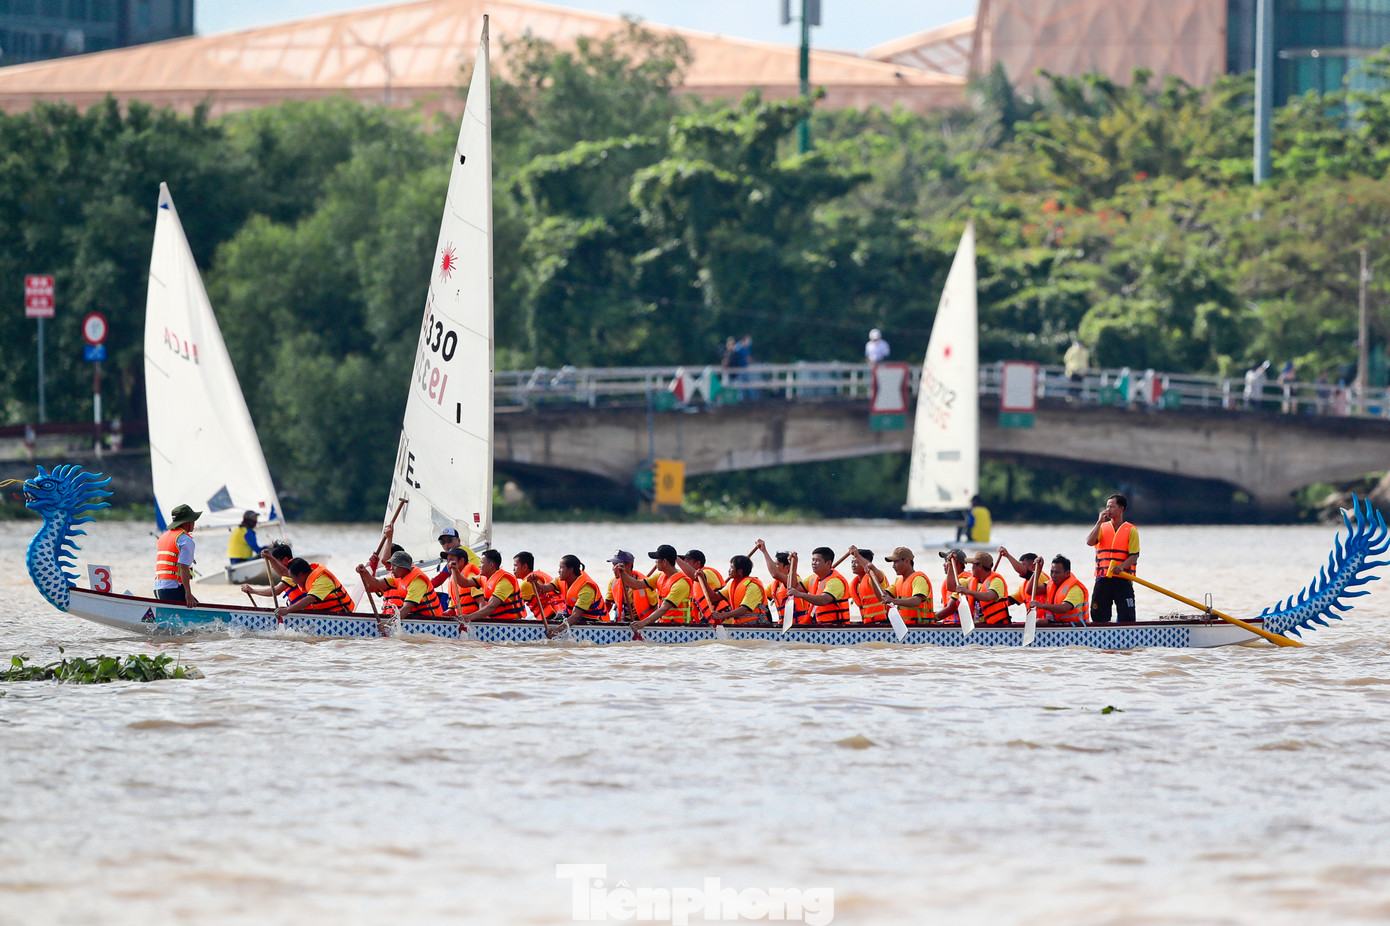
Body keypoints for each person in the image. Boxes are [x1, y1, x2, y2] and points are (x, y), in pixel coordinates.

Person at [1085, 492, 1140, 624]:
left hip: (1123, 579)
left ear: (1121, 509)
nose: (1108, 510)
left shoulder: (1131, 530)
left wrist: (1121, 566)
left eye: (1112, 506)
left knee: (1127, 616)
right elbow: (1089, 541)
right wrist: (1099, 522)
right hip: (1103, 579)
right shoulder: (1102, 527)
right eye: (1107, 506)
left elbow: (1134, 556)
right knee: (1098, 615)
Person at [357, 550, 444, 621]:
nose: (391, 568)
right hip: (415, 616)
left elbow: (406, 608)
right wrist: (365, 572)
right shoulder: (397, 576)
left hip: (432, 620)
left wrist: (388, 624)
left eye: (394, 565)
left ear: (404, 567)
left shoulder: (417, 582)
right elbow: (376, 584)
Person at [624, 544, 694, 630]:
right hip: (664, 625)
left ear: (665, 561)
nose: (655, 562)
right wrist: (623, 573)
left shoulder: (680, 584)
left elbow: (664, 608)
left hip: (680, 628)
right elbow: (636, 585)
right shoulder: (659, 576)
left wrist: (643, 623)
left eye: (657, 559)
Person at [688, 554, 768, 625]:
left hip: (755, 624)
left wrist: (722, 615)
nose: (729, 570)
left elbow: (743, 610)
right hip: (739, 624)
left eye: (731, 567)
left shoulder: (753, 586)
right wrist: (703, 580)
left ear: (740, 571)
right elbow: (713, 598)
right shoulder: (733, 585)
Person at [451, 549, 526, 621]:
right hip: (495, 622)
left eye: (482, 563)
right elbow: (465, 583)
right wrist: (455, 570)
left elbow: (492, 606)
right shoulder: (483, 578)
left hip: (509, 624)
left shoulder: (504, 581)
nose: (479, 566)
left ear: (491, 565)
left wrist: (469, 617)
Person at [784, 547, 851, 625]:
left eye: (817, 560)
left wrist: (801, 595)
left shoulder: (835, 581)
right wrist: (793, 564)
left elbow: (823, 600)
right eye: (813, 560)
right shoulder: (813, 578)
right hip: (818, 623)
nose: (813, 563)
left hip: (834, 626)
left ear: (828, 563)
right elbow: (793, 588)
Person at [274, 558, 354, 619]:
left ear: (301, 575)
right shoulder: (310, 577)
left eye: (293, 578)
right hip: (327, 616)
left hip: (341, 617)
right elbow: (283, 572)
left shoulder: (323, 580)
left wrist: (287, 610)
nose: (293, 581)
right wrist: (270, 557)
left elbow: (309, 600)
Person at [754, 541, 812, 624]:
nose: (774, 567)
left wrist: (764, 551)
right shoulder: (775, 584)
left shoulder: (794, 580)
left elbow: (774, 574)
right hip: (784, 624)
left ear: (788, 567)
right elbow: (761, 595)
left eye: (776, 564)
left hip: (799, 624)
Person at [154, 504, 200, 606]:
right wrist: (188, 593)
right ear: (186, 523)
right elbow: (184, 567)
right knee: (199, 609)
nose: (194, 523)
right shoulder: (186, 540)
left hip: (158, 588)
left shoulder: (163, 536)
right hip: (171, 589)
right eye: (192, 520)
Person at [545, 555, 607, 631]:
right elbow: (544, 588)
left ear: (571, 570)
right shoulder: (561, 580)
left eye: (561, 567)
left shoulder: (586, 588)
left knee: (562, 617)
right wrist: (535, 583)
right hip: (577, 617)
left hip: (594, 622)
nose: (559, 571)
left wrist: (557, 630)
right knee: (559, 615)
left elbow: (576, 616)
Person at [878, 546, 933, 625]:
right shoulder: (898, 581)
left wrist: (893, 601)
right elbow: (882, 597)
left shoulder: (919, 579)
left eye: (896, 562)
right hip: (905, 626)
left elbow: (916, 601)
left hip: (920, 627)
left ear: (907, 561)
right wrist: (873, 576)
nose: (893, 566)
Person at [1030, 555, 1090, 626]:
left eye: (1057, 573)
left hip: (1074, 627)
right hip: (1058, 622)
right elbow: (1031, 590)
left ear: (1067, 573)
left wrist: (1042, 606)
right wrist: (1038, 570)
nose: (1053, 575)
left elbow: (1064, 608)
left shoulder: (1075, 589)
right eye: (1052, 572)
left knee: (1039, 622)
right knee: (1038, 622)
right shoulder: (1051, 583)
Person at [956, 551, 1011, 626]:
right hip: (979, 624)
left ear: (979, 566)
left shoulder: (997, 581)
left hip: (997, 626)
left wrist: (968, 592)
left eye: (973, 565)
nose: (971, 568)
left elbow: (989, 596)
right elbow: (951, 586)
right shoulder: (972, 580)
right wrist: (950, 564)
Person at [605, 550, 655, 622]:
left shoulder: (645, 582)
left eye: (617, 565)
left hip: (641, 621)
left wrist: (649, 624)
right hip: (621, 620)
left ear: (629, 566)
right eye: (613, 565)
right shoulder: (613, 582)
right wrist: (602, 619)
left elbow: (655, 606)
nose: (614, 569)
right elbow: (608, 604)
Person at [514, 550, 562, 622]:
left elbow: (517, 609)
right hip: (559, 613)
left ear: (525, 567)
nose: (513, 569)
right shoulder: (540, 575)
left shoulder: (527, 583)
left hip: (551, 618)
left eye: (515, 566)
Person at [679, 549, 727, 621]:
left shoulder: (708, 573)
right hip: (709, 620)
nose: (684, 564)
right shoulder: (692, 581)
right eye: (684, 561)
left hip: (723, 619)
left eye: (687, 561)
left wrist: (676, 559)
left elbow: (696, 576)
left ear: (698, 563)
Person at [845, 548, 890, 624]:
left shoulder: (874, 577)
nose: (853, 564)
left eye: (857, 562)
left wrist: (857, 555)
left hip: (884, 622)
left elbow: (870, 567)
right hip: (867, 622)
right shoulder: (854, 584)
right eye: (852, 562)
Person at [934, 549, 966, 624]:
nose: (944, 564)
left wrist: (929, 619)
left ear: (956, 564)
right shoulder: (952, 581)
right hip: (949, 622)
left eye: (946, 561)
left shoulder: (962, 581)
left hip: (958, 625)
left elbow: (950, 609)